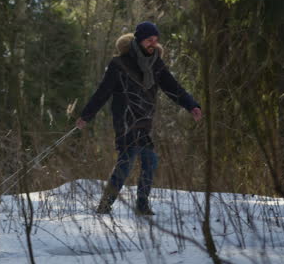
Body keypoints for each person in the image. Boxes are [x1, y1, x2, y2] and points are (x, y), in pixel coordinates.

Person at [76, 21, 202, 215]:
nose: (153, 43)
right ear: (139, 40)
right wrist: (86, 115)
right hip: (125, 121)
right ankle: (105, 204)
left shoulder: (156, 64)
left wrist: (191, 105)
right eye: (149, 40)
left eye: (156, 40)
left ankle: (142, 204)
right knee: (126, 161)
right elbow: (103, 92)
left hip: (144, 121)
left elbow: (173, 88)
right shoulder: (119, 64)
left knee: (150, 160)